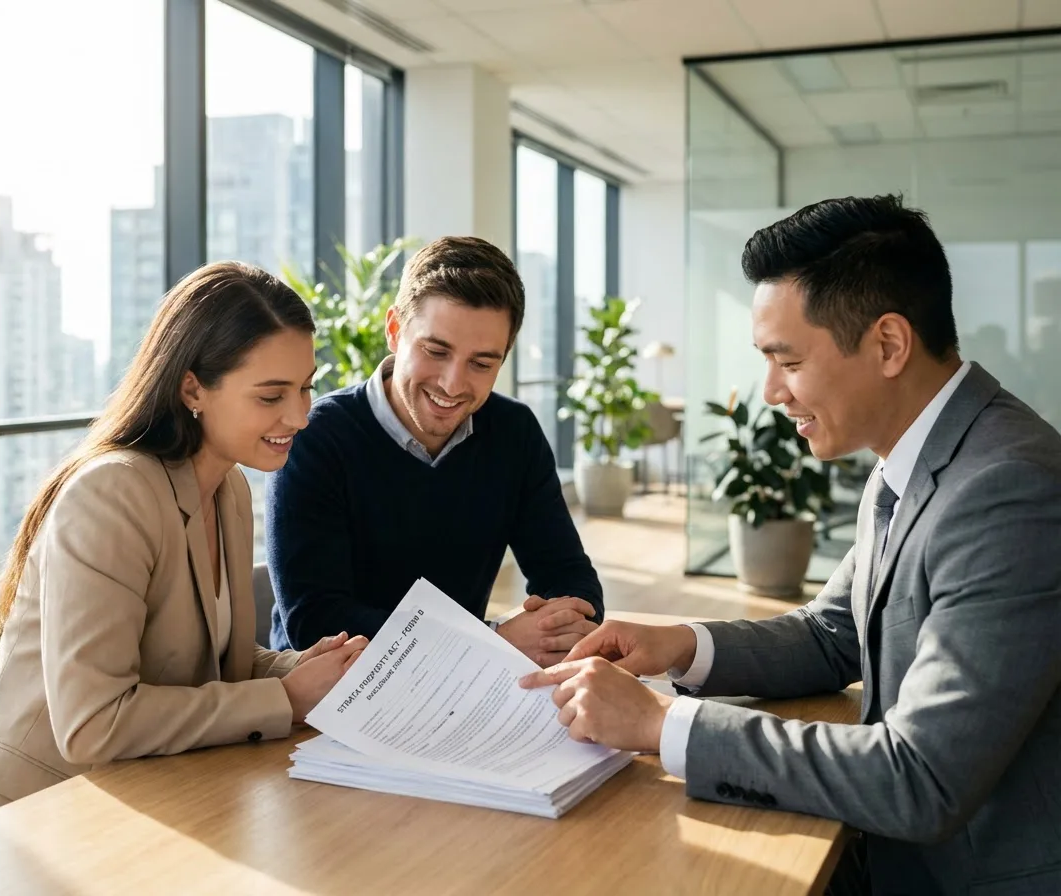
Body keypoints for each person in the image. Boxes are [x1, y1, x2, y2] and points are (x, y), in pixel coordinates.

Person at [521, 196, 1061, 895]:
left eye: (789, 361)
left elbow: (921, 778)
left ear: (889, 345)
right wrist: (678, 645)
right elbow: (833, 633)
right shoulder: (916, 457)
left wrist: (661, 721)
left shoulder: (1007, 488)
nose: (771, 391)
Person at [0, 262, 368, 838]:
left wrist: (304, 669)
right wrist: (283, 698)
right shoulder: (112, 493)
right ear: (191, 388)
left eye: (305, 387)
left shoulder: (227, 489)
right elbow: (94, 723)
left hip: (134, 804)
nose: (300, 415)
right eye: (271, 395)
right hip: (22, 825)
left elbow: (205, 662)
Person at [266, 236, 604, 667]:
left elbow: (570, 578)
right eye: (436, 351)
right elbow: (315, 622)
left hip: (457, 686)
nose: (452, 384)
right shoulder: (314, 437)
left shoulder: (513, 431)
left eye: (481, 364)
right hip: (327, 696)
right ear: (394, 330)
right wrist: (491, 640)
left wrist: (565, 622)